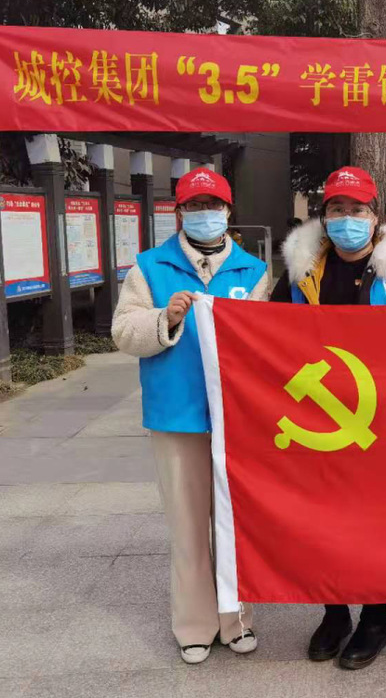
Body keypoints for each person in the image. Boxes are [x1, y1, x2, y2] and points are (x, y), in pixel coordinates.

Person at [270, 166, 386, 669]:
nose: (347, 218)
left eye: (357, 209)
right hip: (319, 418)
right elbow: (267, 334)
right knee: (323, 520)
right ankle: (334, 612)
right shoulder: (300, 274)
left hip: (379, 420)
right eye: (337, 209)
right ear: (324, 217)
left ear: (375, 215)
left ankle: (375, 619)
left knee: (375, 522)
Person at [111, 168, 269, 665]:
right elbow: (123, 332)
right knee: (187, 525)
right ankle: (195, 624)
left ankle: (236, 620)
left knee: (234, 524)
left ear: (228, 210)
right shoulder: (150, 267)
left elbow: (270, 342)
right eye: (195, 205)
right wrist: (166, 318)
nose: (205, 213)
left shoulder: (252, 271)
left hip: (236, 421)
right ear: (178, 212)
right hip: (176, 416)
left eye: (213, 204)